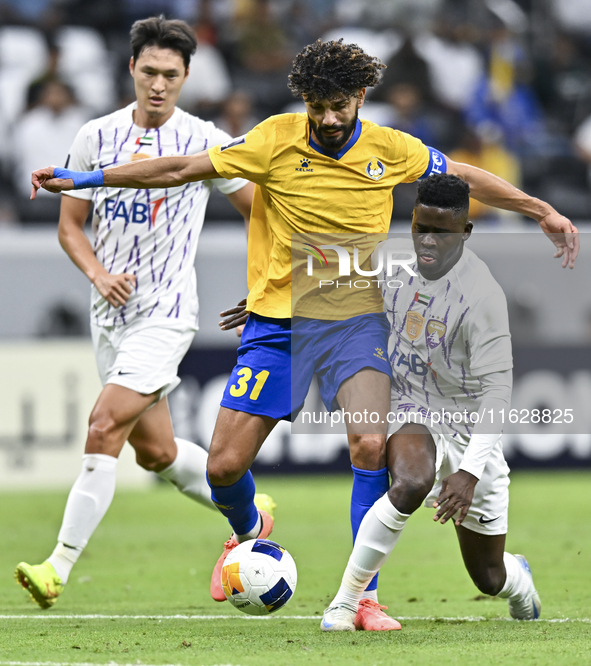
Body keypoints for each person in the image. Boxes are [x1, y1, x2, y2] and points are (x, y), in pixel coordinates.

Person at [29, 39, 577, 628]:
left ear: (361, 97)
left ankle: (364, 598)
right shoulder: (274, 138)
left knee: (369, 446)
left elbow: (462, 175)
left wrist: (538, 208)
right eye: (318, 106)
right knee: (222, 467)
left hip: (357, 321)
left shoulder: (391, 149)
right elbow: (181, 168)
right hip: (278, 325)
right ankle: (248, 529)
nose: (329, 118)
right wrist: (88, 177)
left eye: (340, 105)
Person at [14, 15, 277, 610]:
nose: (159, 85)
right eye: (150, 72)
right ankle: (251, 511)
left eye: (172, 75)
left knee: (104, 425)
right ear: (131, 68)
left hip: (167, 311)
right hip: (108, 314)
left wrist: (269, 282)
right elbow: (70, 227)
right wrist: (99, 274)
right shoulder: (94, 136)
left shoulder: (202, 139)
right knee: (155, 452)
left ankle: (56, 568)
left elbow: (258, 210)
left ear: (187, 77)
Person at [321, 174, 540, 632]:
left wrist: (470, 470)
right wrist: (271, 307)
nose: (428, 241)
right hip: (410, 404)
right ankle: (345, 603)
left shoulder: (482, 296)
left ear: (466, 232)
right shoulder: (391, 260)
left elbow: (498, 393)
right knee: (410, 482)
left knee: (488, 577)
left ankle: (520, 580)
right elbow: (338, 289)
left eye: (442, 232)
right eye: (421, 227)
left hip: (466, 422)